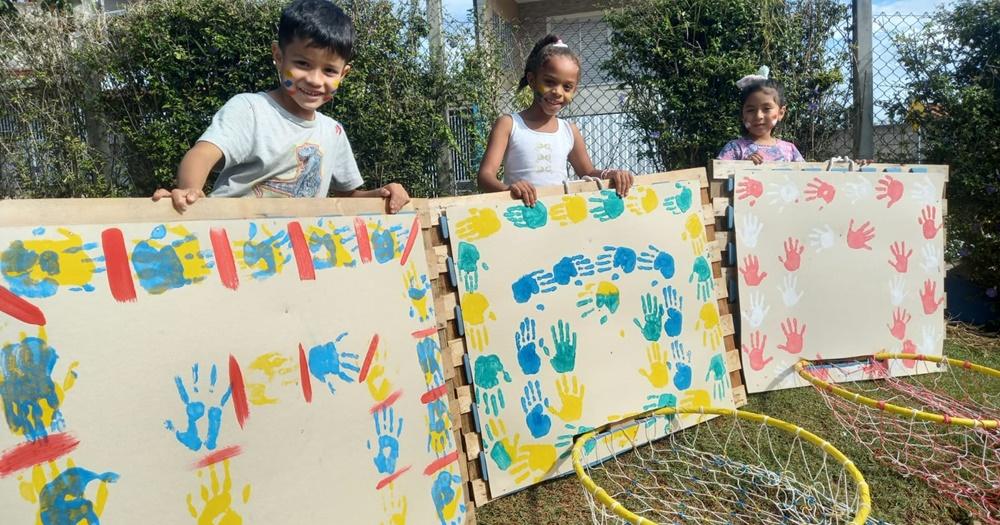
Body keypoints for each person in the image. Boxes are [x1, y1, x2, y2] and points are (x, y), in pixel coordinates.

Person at [153, 0, 409, 213]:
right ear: (278, 56)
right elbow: (202, 154)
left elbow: (346, 196)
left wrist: (382, 195)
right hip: (232, 243)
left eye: (329, 70)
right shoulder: (251, 110)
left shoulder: (334, 132)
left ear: (343, 75)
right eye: (303, 63)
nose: (314, 79)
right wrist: (190, 190)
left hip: (290, 255)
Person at [476, 34, 633, 206]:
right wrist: (508, 190)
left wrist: (610, 174)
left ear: (574, 90)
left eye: (567, 87)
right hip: (519, 218)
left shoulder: (569, 130)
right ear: (532, 80)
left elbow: (587, 171)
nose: (558, 92)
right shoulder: (509, 125)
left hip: (559, 218)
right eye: (550, 82)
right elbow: (485, 177)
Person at [717, 66, 804, 165]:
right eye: (750, 110)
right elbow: (719, 175)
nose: (758, 116)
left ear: (781, 113)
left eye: (766, 109)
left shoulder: (790, 151)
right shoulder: (734, 148)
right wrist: (742, 166)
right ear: (742, 114)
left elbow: (806, 177)